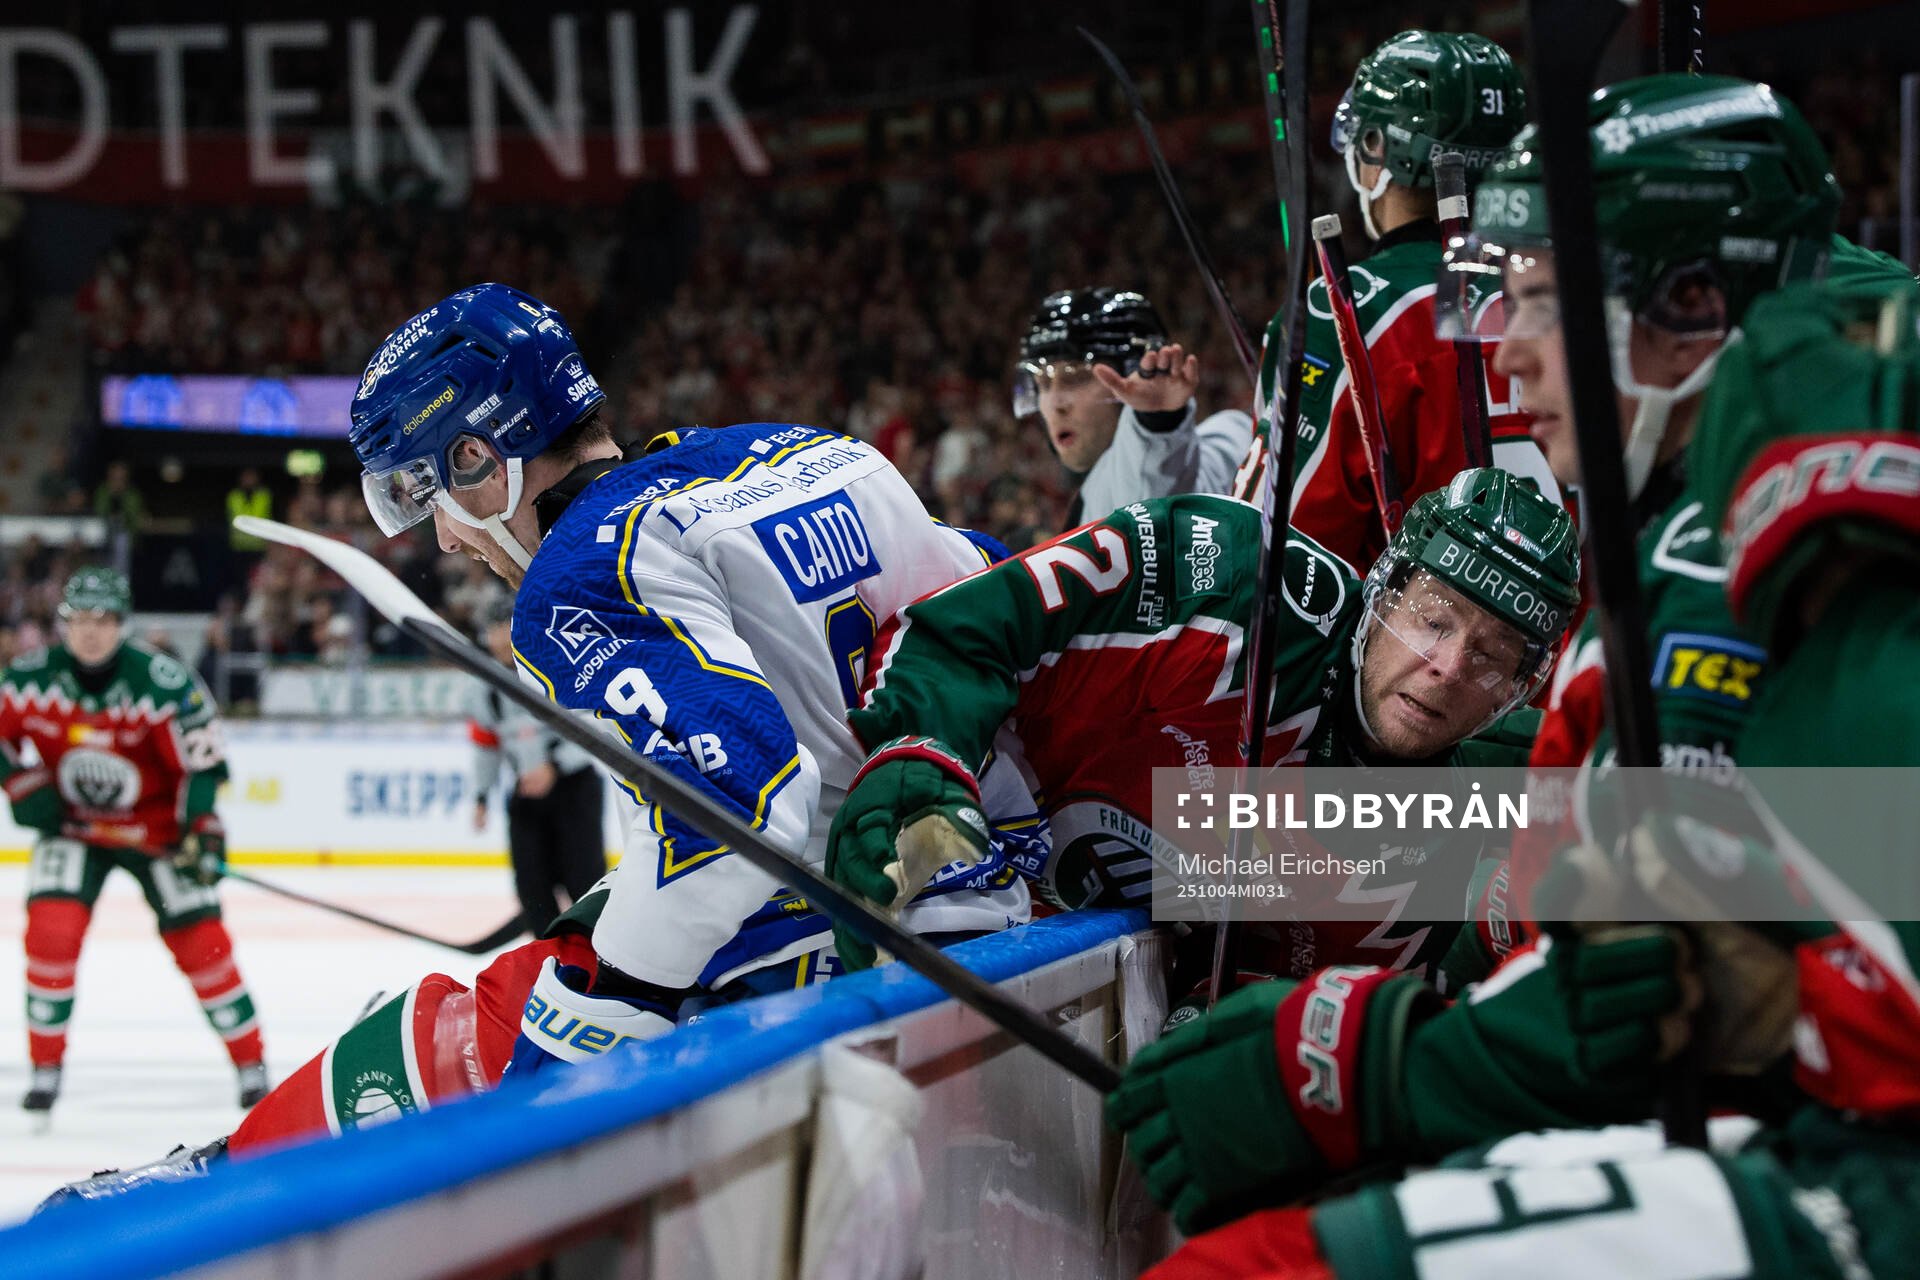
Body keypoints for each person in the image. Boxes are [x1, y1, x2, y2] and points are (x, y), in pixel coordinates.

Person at [105, 282, 1031, 1164]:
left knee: (446, 1043)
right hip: (1007, 908)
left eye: (427, 491)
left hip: (876, 955)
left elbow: (733, 816)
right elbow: (998, 601)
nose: (444, 538)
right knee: (571, 945)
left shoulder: (582, 570)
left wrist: (592, 1015)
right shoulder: (812, 452)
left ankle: (212, 1200)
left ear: (479, 459)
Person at [827, 466, 1579, 988]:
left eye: (1491, 657)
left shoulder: (1463, 814)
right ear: (1384, 589)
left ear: (1519, 691)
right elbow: (965, 628)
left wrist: (1221, 1002)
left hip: (1061, 965)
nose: (1447, 667)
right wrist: (918, 751)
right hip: (907, 820)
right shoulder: (1232, 579)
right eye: (1433, 619)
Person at [1231, 29, 1558, 573]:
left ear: (1377, 148)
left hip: (1428, 627)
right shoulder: (1568, 298)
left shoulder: (1342, 314)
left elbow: (1272, 562)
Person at [0, 567, 267, 1115]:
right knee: (51, 933)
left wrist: (201, 830)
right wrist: (21, 783)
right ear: (62, 624)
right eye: (79, 620)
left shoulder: (164, 682)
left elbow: (203, 766)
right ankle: (45, 1067)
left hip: (159, 833)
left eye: (103, 620)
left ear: (123, 624)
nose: (90, 632)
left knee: (204, 943)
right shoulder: (28, 677)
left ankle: (251, 1064)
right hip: (74, 827)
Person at [1014, 287, 1252, 528]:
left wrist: (1157, 420)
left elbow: (1152, 491)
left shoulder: (1233, 440)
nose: (1055, 405)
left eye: (1076, 378)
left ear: (1138, 373)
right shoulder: (1232, 435)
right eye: (1043, 384)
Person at [469, 600, 606, 935]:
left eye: (504, 627)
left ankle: (595, 949)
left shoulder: (555, 665)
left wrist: (554, 766)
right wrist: (481, 796)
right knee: (531, 886)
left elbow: (587, 725)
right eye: (492, 630)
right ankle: (547, 952)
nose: (498, 637)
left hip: (574, 787)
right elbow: (487, 747)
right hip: (526, 792)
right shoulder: (484, 689)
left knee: (583, 879)